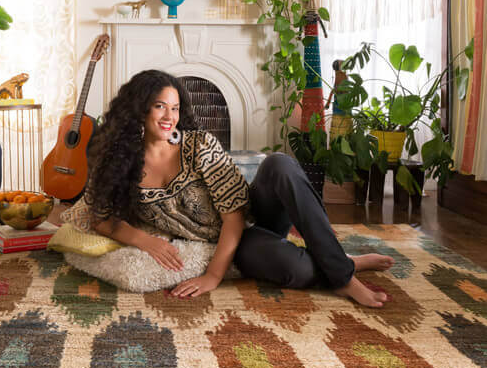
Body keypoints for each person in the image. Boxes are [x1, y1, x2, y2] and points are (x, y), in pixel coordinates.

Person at [81, 69, 392, 306]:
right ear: (138, 109)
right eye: (160, 106)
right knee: (294, 271)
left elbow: (235, 215)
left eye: (174, 108)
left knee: (280, 164)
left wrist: (214, 275)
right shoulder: (116, 159)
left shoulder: (198, 144)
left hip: (250, 217)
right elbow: (99, 217)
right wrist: (143, 239)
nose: (169, 117)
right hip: (236, 242)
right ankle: (346, 261)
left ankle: (343, 277)